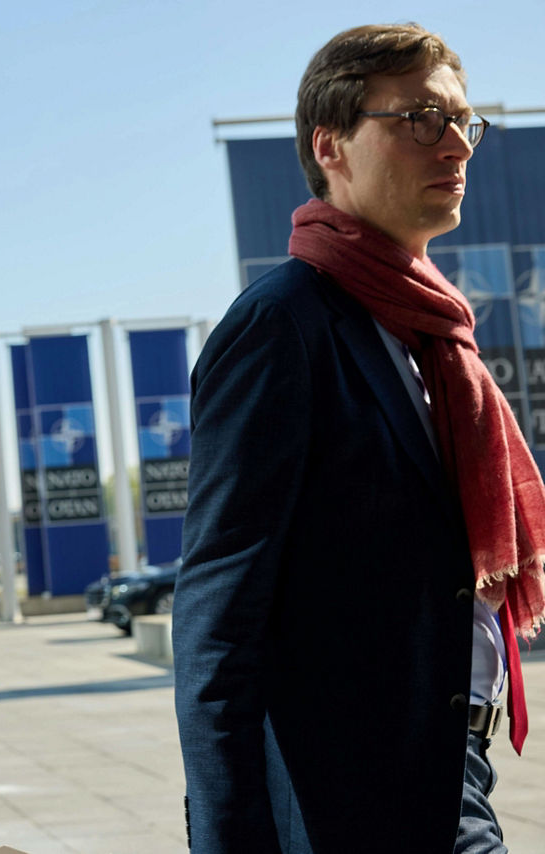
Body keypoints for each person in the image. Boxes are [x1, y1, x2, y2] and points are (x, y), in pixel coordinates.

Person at [173, 23, 545, 854]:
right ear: (331, 145)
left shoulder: (434, 333)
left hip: (454, 767)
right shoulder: (282, 327)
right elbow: (217, 619)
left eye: (462, 121)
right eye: (420, 119)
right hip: (342, 798)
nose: (455, 145)